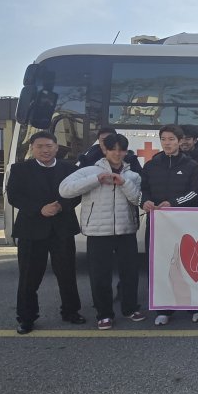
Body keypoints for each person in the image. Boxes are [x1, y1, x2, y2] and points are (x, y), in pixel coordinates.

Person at [59, 134, 145, 329]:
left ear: (126, 152)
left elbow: (137, 200)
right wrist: (96, 179)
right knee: (100, 276)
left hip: (126, 230)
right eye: (112, 149)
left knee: (130, 274)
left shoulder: (133, 176)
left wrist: (123, 183)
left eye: (121, 149)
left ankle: (130, 308)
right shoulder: (88, 171)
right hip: (98, 233)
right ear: (104, 150)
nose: (117, 153)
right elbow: (65, 189)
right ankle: (104, 314)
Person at [7, 131, 85, 334]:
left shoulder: (69, 169)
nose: (45, 150)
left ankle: (71, 311)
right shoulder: (20, 169)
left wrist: (61, 206)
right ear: (32, 149)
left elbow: (77, 194)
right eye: (40, 146)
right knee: (29, 277)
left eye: (49, 146)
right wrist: (39, 209)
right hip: (31, 230)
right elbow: (14, 196)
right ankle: (26, 318)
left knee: (67, 274)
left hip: (62, 228)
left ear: (56, 148)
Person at [140, 124, 198, 325]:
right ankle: (164, 308)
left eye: (171, 139)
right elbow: (143, 190)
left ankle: (193, 307)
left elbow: (194, 192)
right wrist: (145, 202)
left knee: (187, 264)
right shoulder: (151, 165)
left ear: (180, 141)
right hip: (157, 224)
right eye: (164, 139)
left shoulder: (191, 165)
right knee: (160, 265)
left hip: (183, 223)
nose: (167, 143)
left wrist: (174, 203)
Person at [78, 126, 143, 174]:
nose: (106, 143)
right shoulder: (87, 160)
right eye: (103, 140)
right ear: (99, 141)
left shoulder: (130, 160)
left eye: (110, 140)